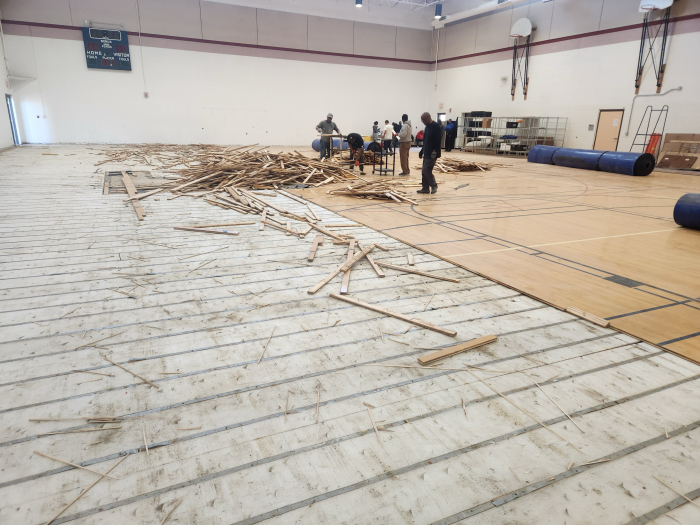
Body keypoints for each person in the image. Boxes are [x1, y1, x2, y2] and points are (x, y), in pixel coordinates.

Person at [417, 112, 441, 194]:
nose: (422, 122)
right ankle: (425, 188)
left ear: (428, 118)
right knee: (424, 171)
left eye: (423, 120)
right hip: (426, 152)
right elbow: (425, 141)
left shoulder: (435, 126)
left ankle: (434, 185)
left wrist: (434, 152)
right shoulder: (427, 127)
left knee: (426, 169)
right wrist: (422, 151)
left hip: (432, 154)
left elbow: (438, 141)